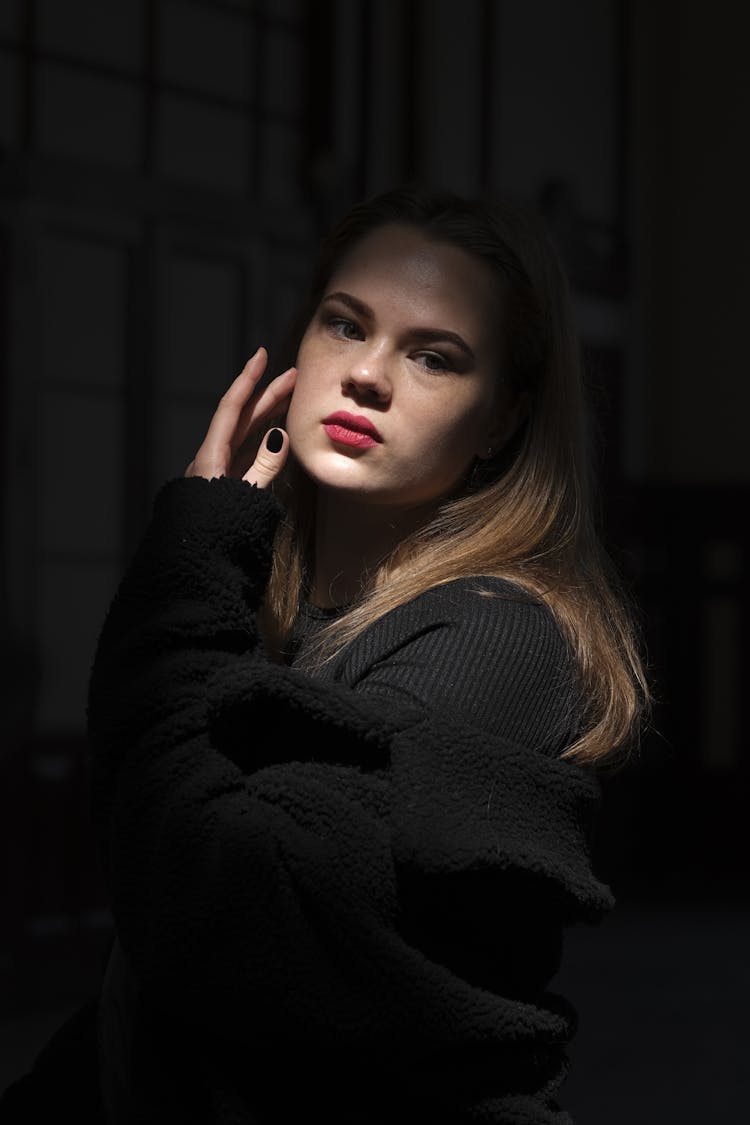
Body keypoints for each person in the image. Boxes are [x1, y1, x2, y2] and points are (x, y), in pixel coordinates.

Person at [2, 184, 649, 1124]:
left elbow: (213, 915)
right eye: (346, 326)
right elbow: (155, 998)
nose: (369, 376)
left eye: (434, 356)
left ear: (504, 418)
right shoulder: (279, 609)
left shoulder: (499, 634)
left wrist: (189, 559)